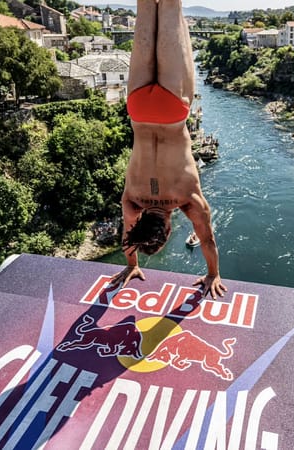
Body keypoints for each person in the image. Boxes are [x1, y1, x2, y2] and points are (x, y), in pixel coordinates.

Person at [111, 0, 226, 299]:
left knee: (172, 8)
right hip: (138, 108)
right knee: (146, 9)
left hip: (173, 110)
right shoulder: (132, 202)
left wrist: (213, 274)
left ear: (169, 229)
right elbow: (127, 237)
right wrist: (130, 264)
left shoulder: (187, 201)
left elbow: (207, 240)